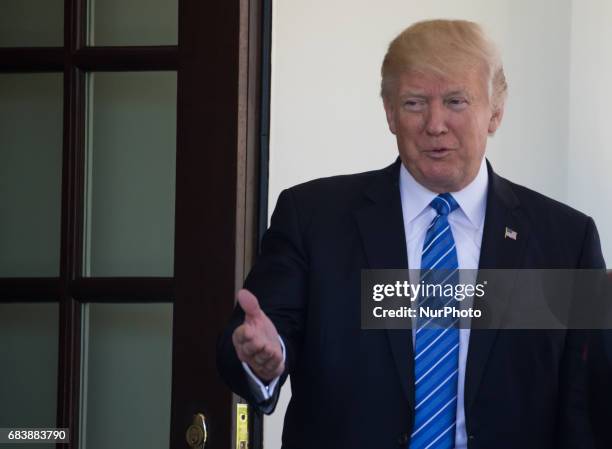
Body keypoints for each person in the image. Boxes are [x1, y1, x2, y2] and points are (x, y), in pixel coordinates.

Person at [217, 19, 606, 449]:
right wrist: (264, 362)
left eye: (456, 101)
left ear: (495, 112)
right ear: (389, 113)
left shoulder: (565, 241)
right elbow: (256, 341)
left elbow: (587, 406)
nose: (435, 124)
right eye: (415, 103)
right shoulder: (313, 218)